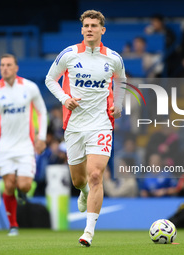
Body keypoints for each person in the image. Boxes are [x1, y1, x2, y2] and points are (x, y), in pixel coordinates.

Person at [45, 10, 126, 247]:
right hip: (74, 126)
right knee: (78, 179)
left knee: (95, 175)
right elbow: (50, 79)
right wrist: (64, 98)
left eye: (94, 25)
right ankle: (82, 192)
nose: (89, 29)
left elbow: (121, 80)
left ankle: (88, 232)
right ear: (82, 30)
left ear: (103, 30)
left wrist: (118, 105)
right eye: (86, 25)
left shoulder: (113, 58)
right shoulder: (69, 54)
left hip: (101, 124)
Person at [0, 54, 48, 236]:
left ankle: (23, 192)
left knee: (25, 185)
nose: (5, 68)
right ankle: (13, 225)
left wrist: (41, 137)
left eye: (9, 65)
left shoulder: (29, 87)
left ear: (16, 68)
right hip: (3, 147)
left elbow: (42, 111)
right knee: (9, 184)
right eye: (2, 65)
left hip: (26, 145)